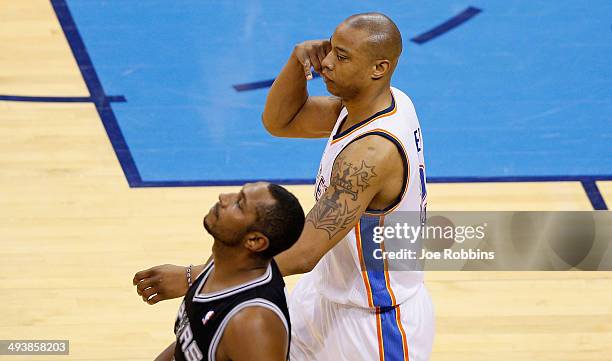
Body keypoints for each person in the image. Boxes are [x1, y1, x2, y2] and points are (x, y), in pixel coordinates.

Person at [134, 13, 434, 361]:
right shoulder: (368, 103)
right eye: (330, 50)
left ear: (378, 68)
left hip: (372, 321)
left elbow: (304, 251)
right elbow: (280, 121)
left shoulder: (371, 155)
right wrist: (297, 63)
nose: (327, 62)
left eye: (342, 56)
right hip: (323, 293)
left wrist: (194, 277)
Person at [145, 182, 305, 361]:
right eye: (238, 193)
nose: (223, 197)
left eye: (239, 204)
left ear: (254, 241)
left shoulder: (252, 323)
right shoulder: (224, 262)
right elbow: (190, 342)